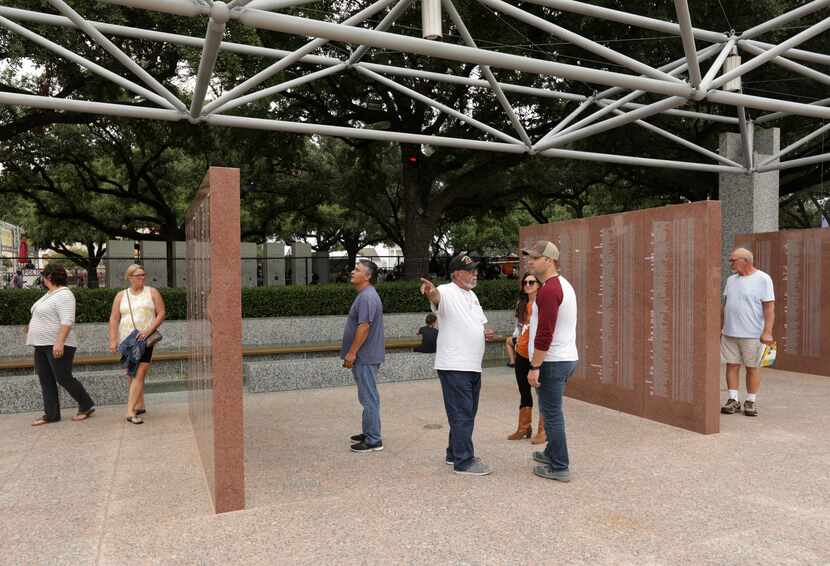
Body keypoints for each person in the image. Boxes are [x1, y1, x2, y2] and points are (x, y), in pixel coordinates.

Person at [420, 253, 495, 476]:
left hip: (472, 365)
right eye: (470, 270)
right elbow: (435, 298)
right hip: (455, 365)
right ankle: (464, 461)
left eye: (475, 270)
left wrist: (485, 332)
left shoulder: (472, 296)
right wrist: (430, 292)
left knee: (466, 413)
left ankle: (454, 453)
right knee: (462, 413)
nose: (475, 273)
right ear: (456, 274)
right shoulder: (445, 291)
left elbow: (479, 324)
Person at [524, 240, 579, 483]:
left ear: (549, 260)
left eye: (535, 258)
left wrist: (535, 366)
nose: (529, 261)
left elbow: (545, 333)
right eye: (529, 257)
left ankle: (560, 467)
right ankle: (550, 453)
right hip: (563, 358)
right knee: (551, 410)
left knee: (552, 413)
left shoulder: (549, 290)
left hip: (552, 361)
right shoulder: (560, 285)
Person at [26, 264, 96, 426]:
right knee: (46, 379)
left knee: (63, 378)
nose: (42, 278)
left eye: (43, 275)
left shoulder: (64, 294)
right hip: (41, 345)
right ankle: (51, 415)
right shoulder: (50, 294)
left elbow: (67, 321)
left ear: (49, 277)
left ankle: (86, 405)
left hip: (57, 344)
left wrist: (59, 342)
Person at [108, 264, 166, 425]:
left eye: (143, 274)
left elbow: (161, 313)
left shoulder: (152, 292)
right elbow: (113, 318)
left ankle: (130, 411)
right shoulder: (121, 296)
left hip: (145, 339)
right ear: (130, 277)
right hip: (127, 339)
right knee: (131, 373)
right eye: (138, 275)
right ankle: (139, 404)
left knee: (140, 372)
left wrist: (148, 330)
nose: (141, 277)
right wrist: (113, 339)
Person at [720, 247, 775, 417]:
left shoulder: (763, 279)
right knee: (731, 365)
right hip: (730, 332)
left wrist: (767, 331)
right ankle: (733, 400)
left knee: (752, 367)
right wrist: (720, 326)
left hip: (752, 334)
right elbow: (726, 304)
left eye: (733, 260)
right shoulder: (730, 280)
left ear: (745, 261)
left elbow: (769, 307)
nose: (731, 263)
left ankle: (750, 401)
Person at [341, 260, 385, 453]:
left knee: (369, 398)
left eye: (357, 270)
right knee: (366, 397)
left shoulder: (367, 297)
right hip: (365, 356)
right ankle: (369, 432)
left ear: (367, 276)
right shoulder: (365, 295)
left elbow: (364, 326)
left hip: (365, 357)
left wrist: (352, 352)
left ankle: (374, 439)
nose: (352, 272)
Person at [507, 273, 542, 441]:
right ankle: (524, 428)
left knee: (542, 393)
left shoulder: (543, 304)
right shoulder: (521, 304)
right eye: (525, 282)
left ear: (539, 285)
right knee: (524, 391)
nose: (528, 285)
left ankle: (543, 430)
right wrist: (516, 340)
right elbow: (518, 328)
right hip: (521, 353)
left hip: (538, 355)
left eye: (531, 282)